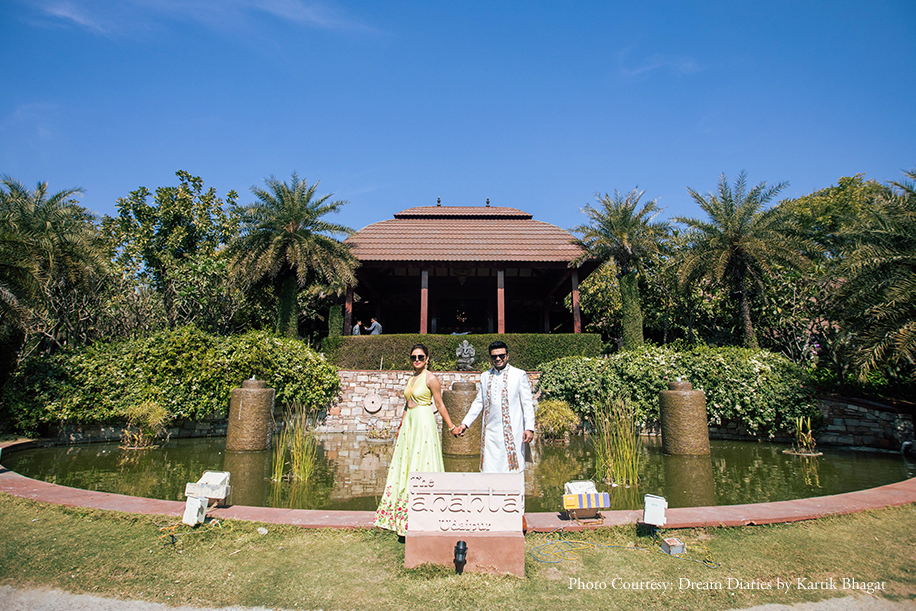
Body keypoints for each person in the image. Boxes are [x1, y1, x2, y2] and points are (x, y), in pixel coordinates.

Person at [374, 344, 460, 536]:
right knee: (405, 463)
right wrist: (400, 426)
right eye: (413, 357)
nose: (417, 360)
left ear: (427, 358)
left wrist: (451, 426)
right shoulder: (411, 378)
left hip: (423, 422)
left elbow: (440, 404)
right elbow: (406, 404)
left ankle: (424, 513)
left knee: (422, 462)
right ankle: (400, 515)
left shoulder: (431, 379)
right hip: (409, 425)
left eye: (420, 357)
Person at [454, 341, 535, 473]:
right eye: (494, 356)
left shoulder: (519, 375)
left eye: (501, 355)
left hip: (513, 432)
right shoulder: (486, 376)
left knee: (513, 471)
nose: (498, 359)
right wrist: (465, 424)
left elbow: (527, 404)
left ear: (507, 356)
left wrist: (529, 428)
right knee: (489, 471)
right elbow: (479, 402)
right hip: (490, 433)